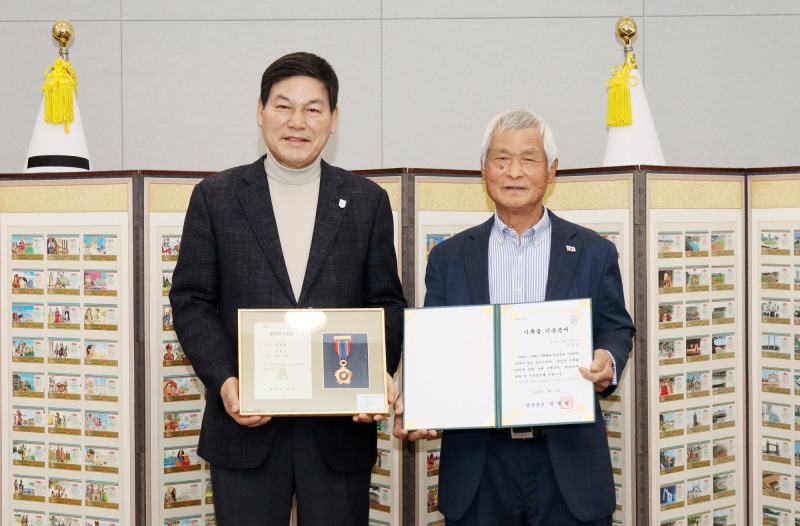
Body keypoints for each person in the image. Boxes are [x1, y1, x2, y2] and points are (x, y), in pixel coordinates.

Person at [169, 51, 405, 526]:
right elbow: (192, 301)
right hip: (245, 429)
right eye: (283, 106)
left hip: (339, 432)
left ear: (333, 119)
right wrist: (226, 383)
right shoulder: (216, 197)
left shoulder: (366, 202)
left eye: (313, 109)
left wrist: (375, 374)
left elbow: (386, 302)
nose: (298, 122)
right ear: (260, 112)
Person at [393, 109, 635, 526]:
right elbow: (436, 346)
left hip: (569, 462)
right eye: (502, 158)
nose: (514, 172)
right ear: (483, 170)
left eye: (529, 159)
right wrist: (420, 401)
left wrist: (607, 360)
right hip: (478, 463)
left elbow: (616, 327)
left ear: (552, 170)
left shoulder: (594, 251)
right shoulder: (449, 257)